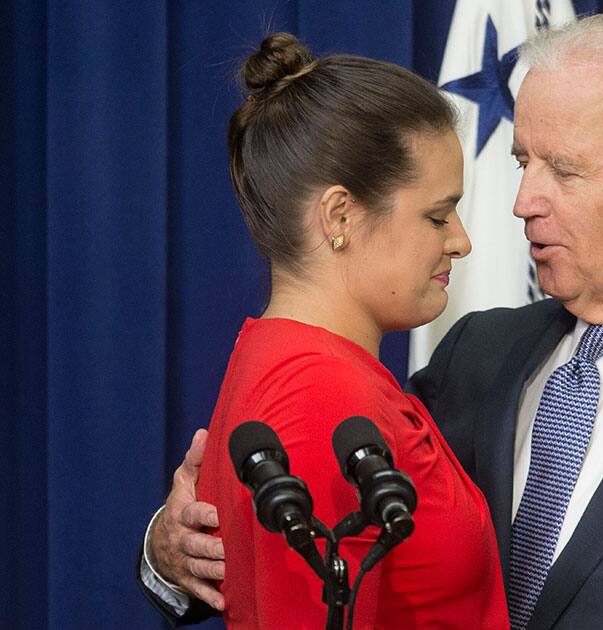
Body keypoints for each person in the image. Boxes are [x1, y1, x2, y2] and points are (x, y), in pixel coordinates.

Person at [140, 13, 603, 629]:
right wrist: (172, 554)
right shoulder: (479, 353)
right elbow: (328, 514)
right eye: (522, 162)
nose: (520, 202)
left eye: (563, 171)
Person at [144, 32, 511, 629]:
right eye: (437, 215)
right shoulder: (318, 395)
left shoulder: (306, 365)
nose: (461, 241)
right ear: (340, 217)